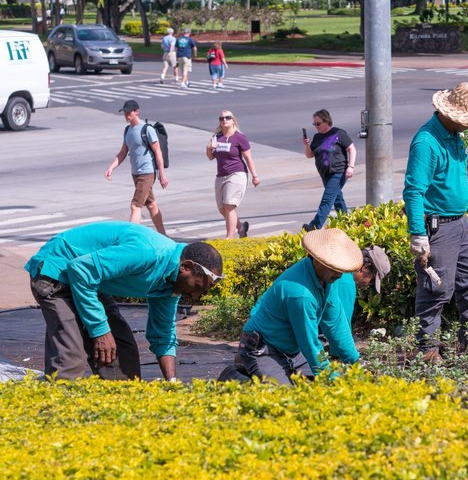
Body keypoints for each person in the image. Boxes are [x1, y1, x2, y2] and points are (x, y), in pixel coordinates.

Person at [25, 221, 224, 381]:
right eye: (197, 287)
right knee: (69, 361)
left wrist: (172, 383)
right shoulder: (148, 253)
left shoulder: (170, 284)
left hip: (91, 281)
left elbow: (163, 334)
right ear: (186, 267)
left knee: (122, 356)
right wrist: (100, 331)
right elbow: (80, 269)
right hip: (56, 271)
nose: (195, 296)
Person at [403, 82, 468, 363]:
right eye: (465, 120)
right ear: (449, 113)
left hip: (460, 222)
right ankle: (427, 348)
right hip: (439, 225)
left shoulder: (453, 134)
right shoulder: (427, 142)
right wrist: (418, 236)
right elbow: (413, 191)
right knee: (437, 286)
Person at [218, 228, 363, 386]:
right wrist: (331, 378)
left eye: (341, 269)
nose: (339, 274)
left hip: (292, 350)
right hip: (264, 348)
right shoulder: (300, 294)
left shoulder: (329, 280)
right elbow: (309, 343)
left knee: (313, 384)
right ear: (317, 259)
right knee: (285, 395)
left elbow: (336, 324)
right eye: (333, 268)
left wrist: (357, 363)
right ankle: (237, 374)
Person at [105, 99, 169, 235]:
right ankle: (164, 236)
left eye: (129, 112)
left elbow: (158, 152)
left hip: (147, 173)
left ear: (136, 112)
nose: (126, 115)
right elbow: (123, 152)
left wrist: (162, 175)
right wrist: (112, 167)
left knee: (135, 206)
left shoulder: (147, 129)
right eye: (125, 113)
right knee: (151, 205)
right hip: (136, 173)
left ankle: (129, 237)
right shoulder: (127, 130)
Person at [205, 110, 261, 239]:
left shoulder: (240, 137)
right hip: (221, 176)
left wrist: (255, 176)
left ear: (233, 120)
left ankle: (229, 238)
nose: (224, 120)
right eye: (222, 118)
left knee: (229, 205)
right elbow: (210, 157)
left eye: (227, 118)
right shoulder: (217, 137)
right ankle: (241, 227)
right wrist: (209, 148)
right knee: (222, 209)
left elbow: (248, 158)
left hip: (237, 174)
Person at [302, 109, 356, 231]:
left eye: (318, 123)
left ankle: (314, 226)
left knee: (327, 200)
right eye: (314, 124)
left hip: (338, 172)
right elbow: (310, 155)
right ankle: (347, 224)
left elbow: (352, 149)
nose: (316, 126)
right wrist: (306, 145)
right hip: (325, 174)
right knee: (337, 199)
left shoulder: (338, 133)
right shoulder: (317, 137)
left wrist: (351, 167)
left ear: (326, 121)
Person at [331, 245, 391, 324]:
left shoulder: (339, 264)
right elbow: (341, 326)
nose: (368, 284)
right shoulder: (347, 283)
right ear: (365, 267)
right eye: (372, 280)